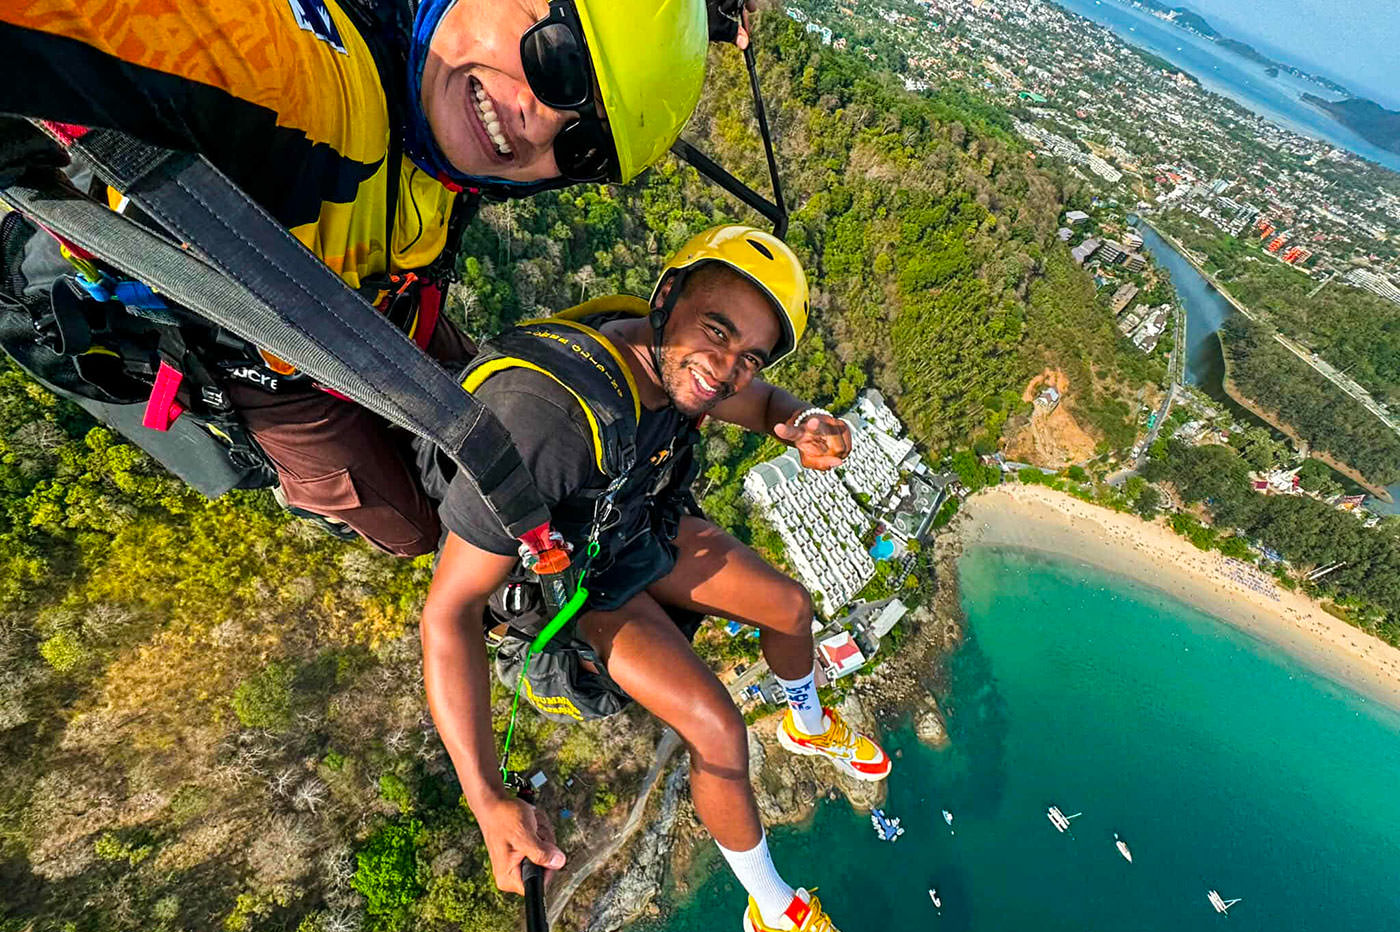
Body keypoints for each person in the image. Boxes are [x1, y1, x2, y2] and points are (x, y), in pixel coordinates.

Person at [0, 0, 743, 555]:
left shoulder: (443, 99)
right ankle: (315, 490)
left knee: (498, 413)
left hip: (387, 309)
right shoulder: (307, 79)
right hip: (277, 370)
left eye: (583, 147)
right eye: (560, 61)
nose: (538, 126)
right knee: (416, 529)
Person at [420, 225, 892, 932]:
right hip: (573, 582)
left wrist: (804, 420)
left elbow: (765, 404)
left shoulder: (676, 362)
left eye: (749, 356)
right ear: (667, 296)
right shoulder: (551, 421)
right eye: (718, 331)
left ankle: (809, 725)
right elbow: (449, 612)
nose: (725, 370)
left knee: (791, 608)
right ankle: (771, 907)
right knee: (718, 728)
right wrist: (486, 797)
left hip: (629, 524)